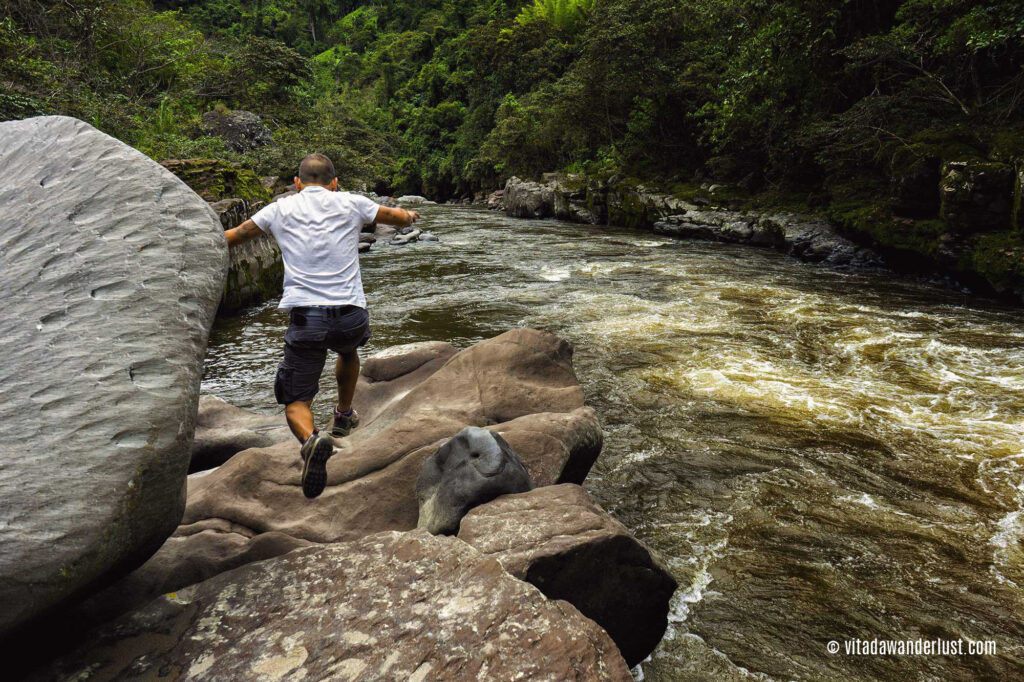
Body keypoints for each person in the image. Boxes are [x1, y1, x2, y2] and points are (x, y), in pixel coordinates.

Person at [224, 153, 421, 499]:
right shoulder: (351, 202)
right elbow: (398, 217)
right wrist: (411, 214)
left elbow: (233, 236)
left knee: (296, 400)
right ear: (334, 182)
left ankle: (312, 441)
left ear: (297, 183)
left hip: (306, 318)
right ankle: (343, 414)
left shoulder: (278, 209)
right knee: (348, 349)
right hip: (350, 315)